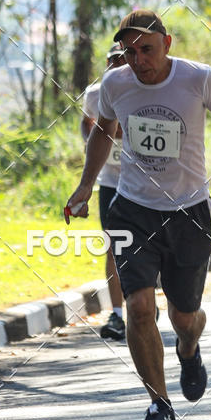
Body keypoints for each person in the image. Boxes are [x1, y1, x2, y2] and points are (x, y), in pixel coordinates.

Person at [65, 10, 211, 420]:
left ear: (167, 44)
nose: (138, 60)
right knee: (140, 307)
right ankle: (159, 404)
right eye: (130, 52)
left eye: (146, 49)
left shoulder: (198, 79)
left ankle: (189, 346)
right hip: (133, 209)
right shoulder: (115, 84)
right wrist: (85, 185)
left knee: (184, 317)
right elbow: (103, 132)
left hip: (189, 212)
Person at [82, 43, 127, 340]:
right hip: (111, 181)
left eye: (123, 60)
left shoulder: (149, 90)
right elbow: (87, 122)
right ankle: (118, 314)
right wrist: (94, 144)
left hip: (147, 183)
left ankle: (143, 298)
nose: (119, 65)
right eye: (113, 61)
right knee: (114, 246)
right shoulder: (95, 94)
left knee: (148, 247)